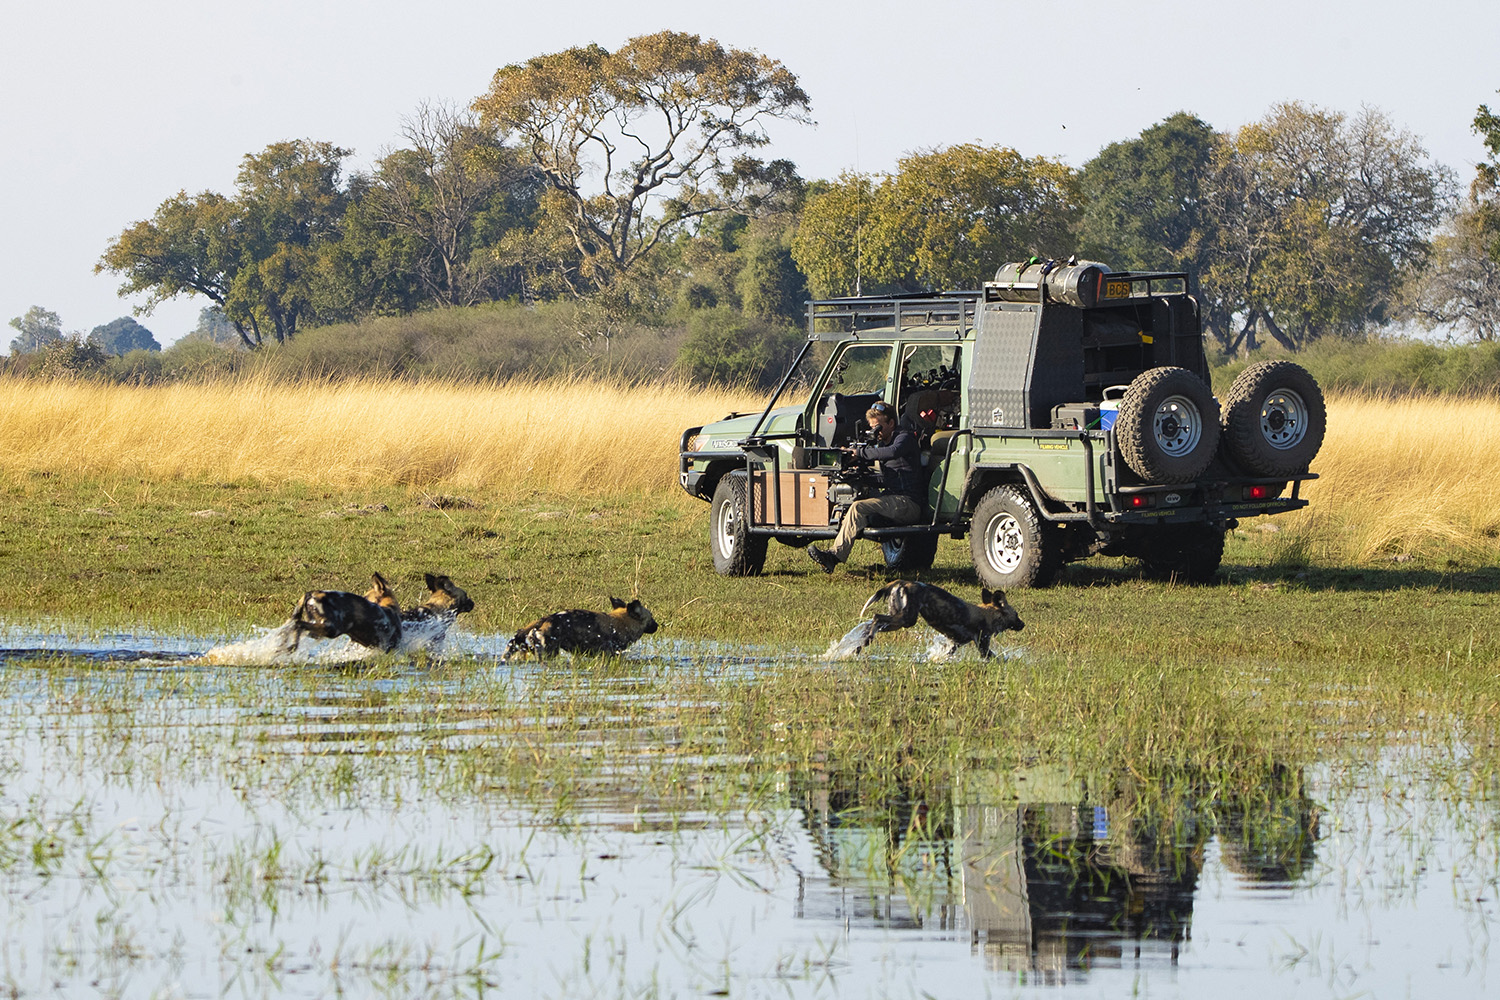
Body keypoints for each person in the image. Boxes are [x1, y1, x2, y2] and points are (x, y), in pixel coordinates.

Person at [808, 400, 925, 573]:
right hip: (894, 498)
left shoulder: (903, 437)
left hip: (909, 503)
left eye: (878, 427)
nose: (875, 433)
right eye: (871, 428)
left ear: (891, 423)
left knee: (858, 507)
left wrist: (860, 453)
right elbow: (887, 477)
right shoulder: (884, 443)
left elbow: (892, 452)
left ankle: (834, 556)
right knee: (856, 502)